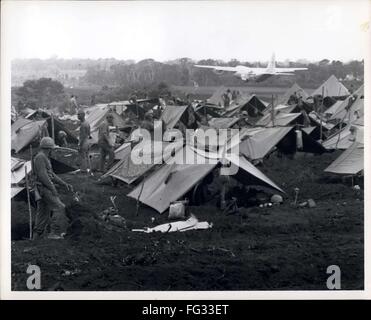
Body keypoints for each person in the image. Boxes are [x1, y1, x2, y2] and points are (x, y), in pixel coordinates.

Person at [33, 137, 73, 240]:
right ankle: (54, 232)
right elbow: (43, 176)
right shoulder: (40, 157)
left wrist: (64, 183)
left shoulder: (44, 157)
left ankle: (37, 236)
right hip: (43, 188)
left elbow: (51, 174)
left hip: (43, 187)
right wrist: (52, 188)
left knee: (43, 212)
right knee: (59, 207)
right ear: (49, 148)